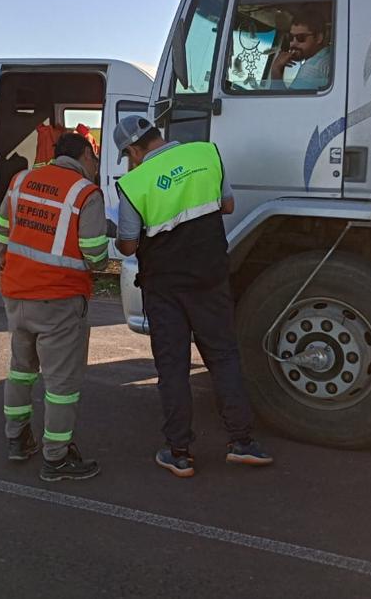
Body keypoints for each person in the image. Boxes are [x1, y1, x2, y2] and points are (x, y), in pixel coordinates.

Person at [113, 116, 272, 478]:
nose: (130, 161)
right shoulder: (207, 154)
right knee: (223, 358)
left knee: (173, 368)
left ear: (134, 150)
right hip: (211, 278)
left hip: (164, 287)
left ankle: (179, 452)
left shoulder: (134, 184)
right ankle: (242, 443)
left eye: (128, 155)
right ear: (158, 135)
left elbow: (128, 243)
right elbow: (227, 205)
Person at [0, 132, 109, 482]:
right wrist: (99, 264)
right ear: (86, 154)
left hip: (16, 294)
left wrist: (9, 269)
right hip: (59, 301)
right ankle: (56, 459)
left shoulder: (21, 180)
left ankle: (17, 439)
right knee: (61, 385)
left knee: (21, 369)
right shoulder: (85, 193)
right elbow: (95, 254)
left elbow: (1, 233)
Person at [269, 6, 332, 91]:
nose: (293, 44)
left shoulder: (313, 67)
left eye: (301, 37)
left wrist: (275, 70)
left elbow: (287, 103)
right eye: (291, 37)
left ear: (318, 38)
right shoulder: (328, 56)